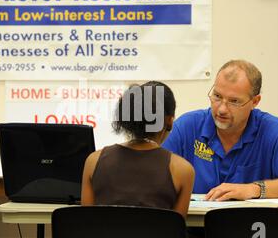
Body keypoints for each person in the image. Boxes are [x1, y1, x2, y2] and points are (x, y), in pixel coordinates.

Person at [163, 60, 278, 202]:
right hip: (194, 229)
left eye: (234, 101)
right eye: (217, 96)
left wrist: (253, 189)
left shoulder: (273, 131)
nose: (222, 109)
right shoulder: (188, 126)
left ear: (254, 101)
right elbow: (154, 173)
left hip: (252, 229)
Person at [81, 81, 195, 218]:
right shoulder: (182, 170)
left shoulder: (93, 161)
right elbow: (176, 231)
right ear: (170, 121)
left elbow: (86, 223)